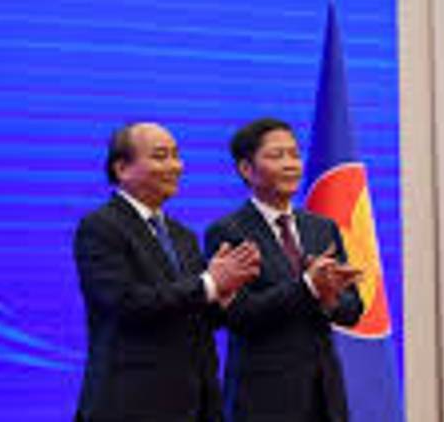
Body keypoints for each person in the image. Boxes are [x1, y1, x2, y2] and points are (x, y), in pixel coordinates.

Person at [74, 122, 262, 422]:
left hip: (194, 401)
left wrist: (223, 295)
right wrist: (209, 283)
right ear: (122, 168)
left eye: (176, 155)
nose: (175, 166)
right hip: (131, 403)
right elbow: (125, 303)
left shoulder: (182, 235)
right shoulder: (100, 227)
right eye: (161, 156)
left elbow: (192, 314)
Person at [204, 118, 364, 422]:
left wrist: (330, 299)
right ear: (246, 169)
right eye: (276, 156)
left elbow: (353, 310)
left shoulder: (321, 228)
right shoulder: (228, 231)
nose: (290, 164)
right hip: (265, 395)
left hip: (324, 393)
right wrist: (308, 286)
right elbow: (240, 315)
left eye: (294, 154)